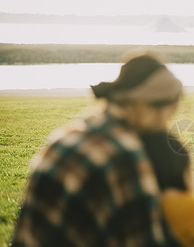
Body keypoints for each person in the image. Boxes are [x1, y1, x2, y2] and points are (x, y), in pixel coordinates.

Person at [11, 52, 184, 246]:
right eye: (167, 115)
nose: (163, 126)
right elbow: (143, 240)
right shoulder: (123, 154)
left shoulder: (71, 133)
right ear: (144, 105)